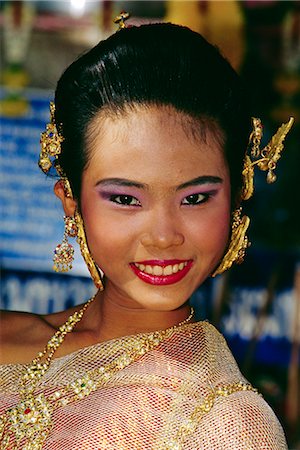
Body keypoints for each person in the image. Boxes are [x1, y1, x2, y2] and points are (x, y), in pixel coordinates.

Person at [0, 15, 293, 449]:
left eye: (194, 199)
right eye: (125, 199)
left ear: (236, 197)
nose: (162, 236)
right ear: (72, 201)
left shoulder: (227, 424)